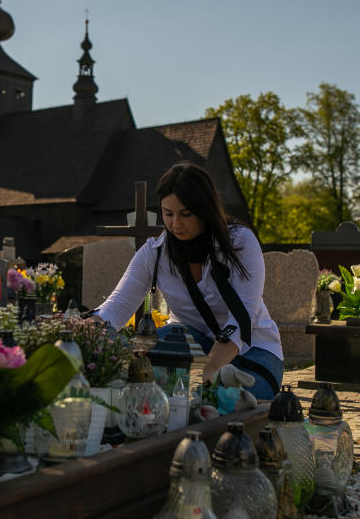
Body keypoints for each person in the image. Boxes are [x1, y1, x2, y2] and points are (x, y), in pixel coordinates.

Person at [92, 162, 283, 400]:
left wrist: (212, 368)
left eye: (185, 214)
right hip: (192, 344)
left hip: (253, 352)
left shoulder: (239, 243)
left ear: (205, 210)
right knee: (164, 342)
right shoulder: (156, 253)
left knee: (225, 402)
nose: (175, 224)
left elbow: (243, 316)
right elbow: (118, 305)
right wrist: (87, 328)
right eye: (168, 213)